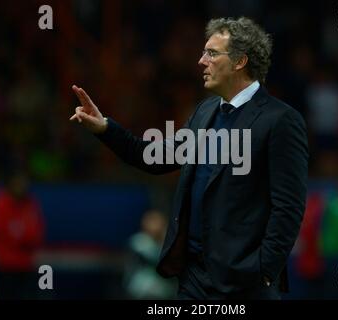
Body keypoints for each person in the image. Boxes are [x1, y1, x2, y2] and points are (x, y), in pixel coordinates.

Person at [69, 17, 308, 299]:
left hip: (244, 283)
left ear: (240, 61)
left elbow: (289, 207)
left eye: (211, 53)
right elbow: (154, 158)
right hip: (193, 278)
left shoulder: (280, 120)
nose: (200, 61)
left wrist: (263, 271)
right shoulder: (204, 113)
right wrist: (106, 129)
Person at [0, 171, 45, 299]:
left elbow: (37, 233)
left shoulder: (31, 204)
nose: (21, 186)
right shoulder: (1, 204)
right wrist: (23, 236)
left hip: (26, 265)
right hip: (6, 266)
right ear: (10, 184)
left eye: (24, 183)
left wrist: (23, 235)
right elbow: (5, 233)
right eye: (18, 183)